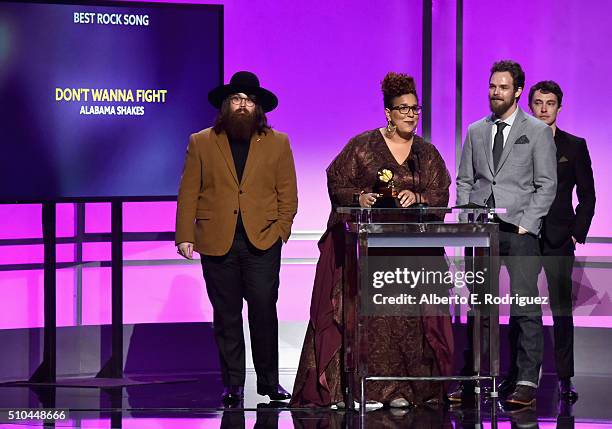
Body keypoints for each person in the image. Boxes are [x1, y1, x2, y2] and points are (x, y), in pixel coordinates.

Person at [290, 72, 454, 408]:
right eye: (403, 109)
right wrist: (360, 197)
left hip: (412, 255)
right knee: (373, 318)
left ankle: (405, 390)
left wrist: (419, 198)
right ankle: (368, 388)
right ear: (388, 113)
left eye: (415, 108)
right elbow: (337, 182)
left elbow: (440, 192)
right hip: (369, 252)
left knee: (408, 320)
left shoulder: (426, 153)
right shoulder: (362, 146)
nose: (410, 114)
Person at [175, 71, 298, 405]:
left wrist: (281, 231)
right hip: (217, 240)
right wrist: (185, 234)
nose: (242, 105)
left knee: (263, 310)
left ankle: (269, 383)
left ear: (258, 107)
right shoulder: (201, 141)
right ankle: (233, 385)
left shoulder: (278, 142)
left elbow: (288, 192)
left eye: (248, 100)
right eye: (236, 99)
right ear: (226, 105)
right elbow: (189, 191)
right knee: (226, 315)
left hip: (262, 241)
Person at [453, 60, 557, 408]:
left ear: (517, 91)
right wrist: (468, 217)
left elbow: (546, 185)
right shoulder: (476, 130)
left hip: (520, 231)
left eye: (502, 87)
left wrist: (527, 223)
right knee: (480, 306)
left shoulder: (537, 131)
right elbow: (465, 179)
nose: (495, 92)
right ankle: (473, 378)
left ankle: (526, 380)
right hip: (482, 231)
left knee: (524, 305)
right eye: (491, 86)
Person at [529, 80, 595, 402]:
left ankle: (565, 378)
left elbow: (588, 195)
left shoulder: (574, 146)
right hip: (525, 235)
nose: (544, 108)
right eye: (539, 102)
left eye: (550, 103)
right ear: (530, 106)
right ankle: (523, 377)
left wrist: (575, 231)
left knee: (561, 309)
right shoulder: (518, 144)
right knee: (523, 309)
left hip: (559, 238)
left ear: (559, 106)